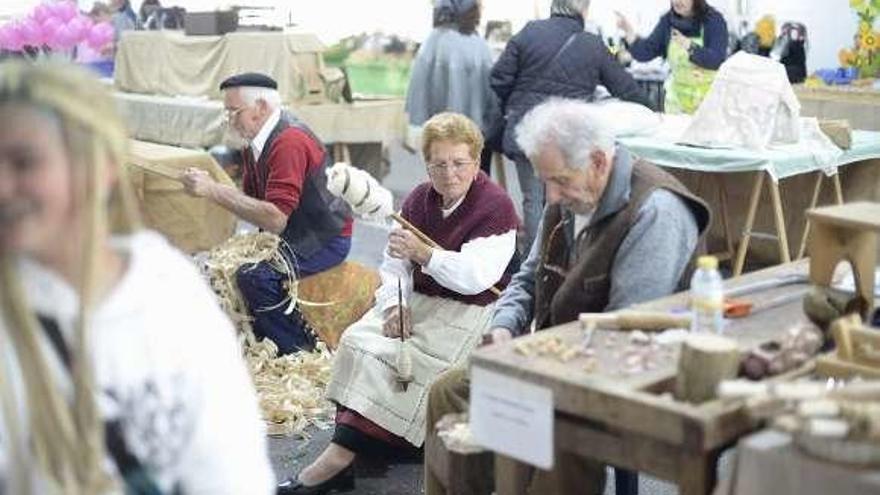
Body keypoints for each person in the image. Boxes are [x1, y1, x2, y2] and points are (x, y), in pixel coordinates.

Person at [0, 61, 273, 494]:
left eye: (25, 162)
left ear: (100, 168)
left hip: (300, 247)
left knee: (258, 280)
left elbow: (230, 470)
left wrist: (213, 191)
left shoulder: (169, 294)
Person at [424, 98, 711, 495]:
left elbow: (624, 329)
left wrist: (538, 368)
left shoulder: (656, 211)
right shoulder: (569, 194)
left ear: (597, 161)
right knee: (449, 392)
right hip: (562, 357)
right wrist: (505, 328)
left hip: (633, 373)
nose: (552, 196)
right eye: (546, 181)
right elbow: (528, 277)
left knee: (544, 425)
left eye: (559, 180)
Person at [276, 112, 519, 494]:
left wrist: (425, 254)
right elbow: (393, 266)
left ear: (476, 163)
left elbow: (476, 276)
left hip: (468, 312)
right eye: (439, 164)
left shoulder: (496, 206)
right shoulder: (420, 198)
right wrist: (394, 305)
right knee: (359, 339)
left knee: (400, 360)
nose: (449, 174)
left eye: (459, 163)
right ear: (427, 165)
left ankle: (339, 460)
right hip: (417, 301)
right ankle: (369, 442)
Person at [182, 72, 353, 356]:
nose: (230, 120)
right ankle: (263, 336)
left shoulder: (289, 141)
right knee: (218, 266)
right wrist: (212, 187)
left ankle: (299, 351)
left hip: (323, 237)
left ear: (260, 107)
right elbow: (252, 199)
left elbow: (274, 218)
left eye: (233, 111)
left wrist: (212, 190)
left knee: (256, 277)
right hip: (293, 234)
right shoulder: (257, 140)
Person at [491, 0, 650, 254]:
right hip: (568, 138)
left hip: (528, 132)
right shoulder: (592, 44)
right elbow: (624, 87)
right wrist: (652, 108)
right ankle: (560, 257)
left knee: (533, 201)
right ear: (583, 10)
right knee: (565, 197)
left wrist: (516, 104)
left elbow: (498, 77)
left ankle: (534, 266)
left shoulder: (529, 32)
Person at [405, 0, 499, 174]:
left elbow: (418, 91)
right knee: (478, 185)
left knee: (446, 185)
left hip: (443, 134)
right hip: (477, 135)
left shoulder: (433, 42)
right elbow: (493, 94)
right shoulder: (480, 45)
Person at [616, 0, 729, 114]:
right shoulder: (668, 21)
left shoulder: (714, 21)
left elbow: (716, 60)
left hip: (707, 103)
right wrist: (628, 31)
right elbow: (646, 52)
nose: (677, 1)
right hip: (676, 103)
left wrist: (690, 46)